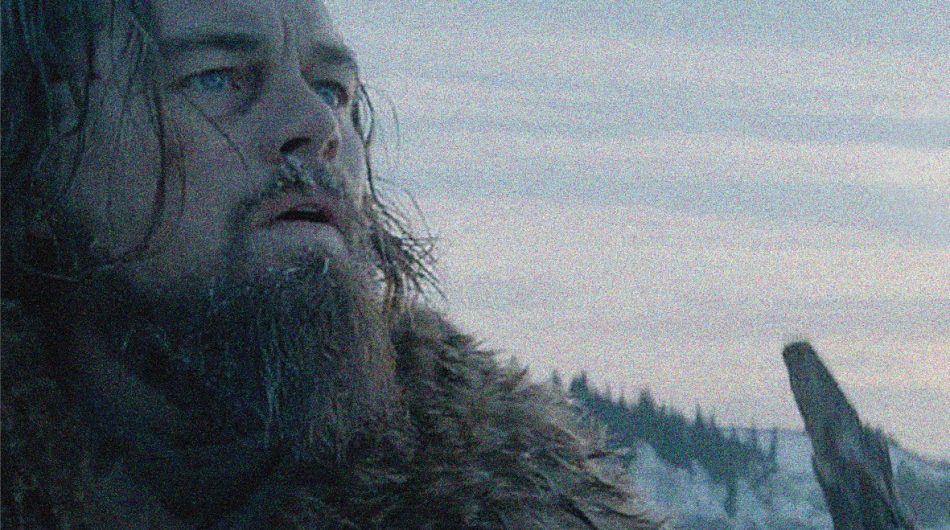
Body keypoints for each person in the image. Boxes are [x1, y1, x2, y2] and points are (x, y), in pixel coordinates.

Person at [1, 1, 663, 527]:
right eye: (217, 78)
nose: (318, 126)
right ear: (35, 145)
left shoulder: (522, 509)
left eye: (332, 90)